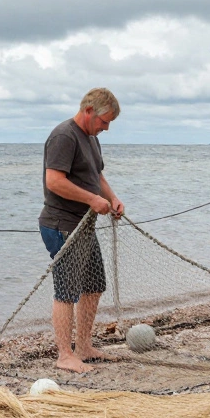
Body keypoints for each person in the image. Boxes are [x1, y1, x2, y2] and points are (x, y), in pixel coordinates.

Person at [39, 88, 126, 373]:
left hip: (85, 225)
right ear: (88, 111)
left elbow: (96, 175)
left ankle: (84, 346)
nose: (106, 127)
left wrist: (111, 198)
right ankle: (64, 355)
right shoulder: (64, 135)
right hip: (61, 225)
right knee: (66, 291)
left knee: (94, 286)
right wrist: (91, 199)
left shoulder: (91, 138)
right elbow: (54, 181)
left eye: (110, 122)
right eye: (104, 121)